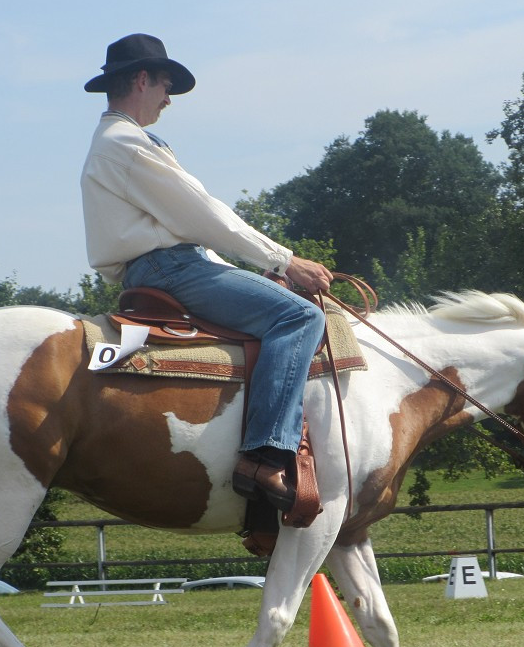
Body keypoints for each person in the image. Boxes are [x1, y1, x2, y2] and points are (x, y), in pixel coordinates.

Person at [81, 33, 334, 512]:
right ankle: (266, 453)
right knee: (300, 319)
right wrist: (284, 261)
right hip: (173, 268)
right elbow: (202, 214)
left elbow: (188, 225)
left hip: (164, 266)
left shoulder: (120, 142)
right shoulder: (128, 145)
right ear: (141, 79)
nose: (168, 98)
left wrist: (262, 275)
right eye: (164, 85)